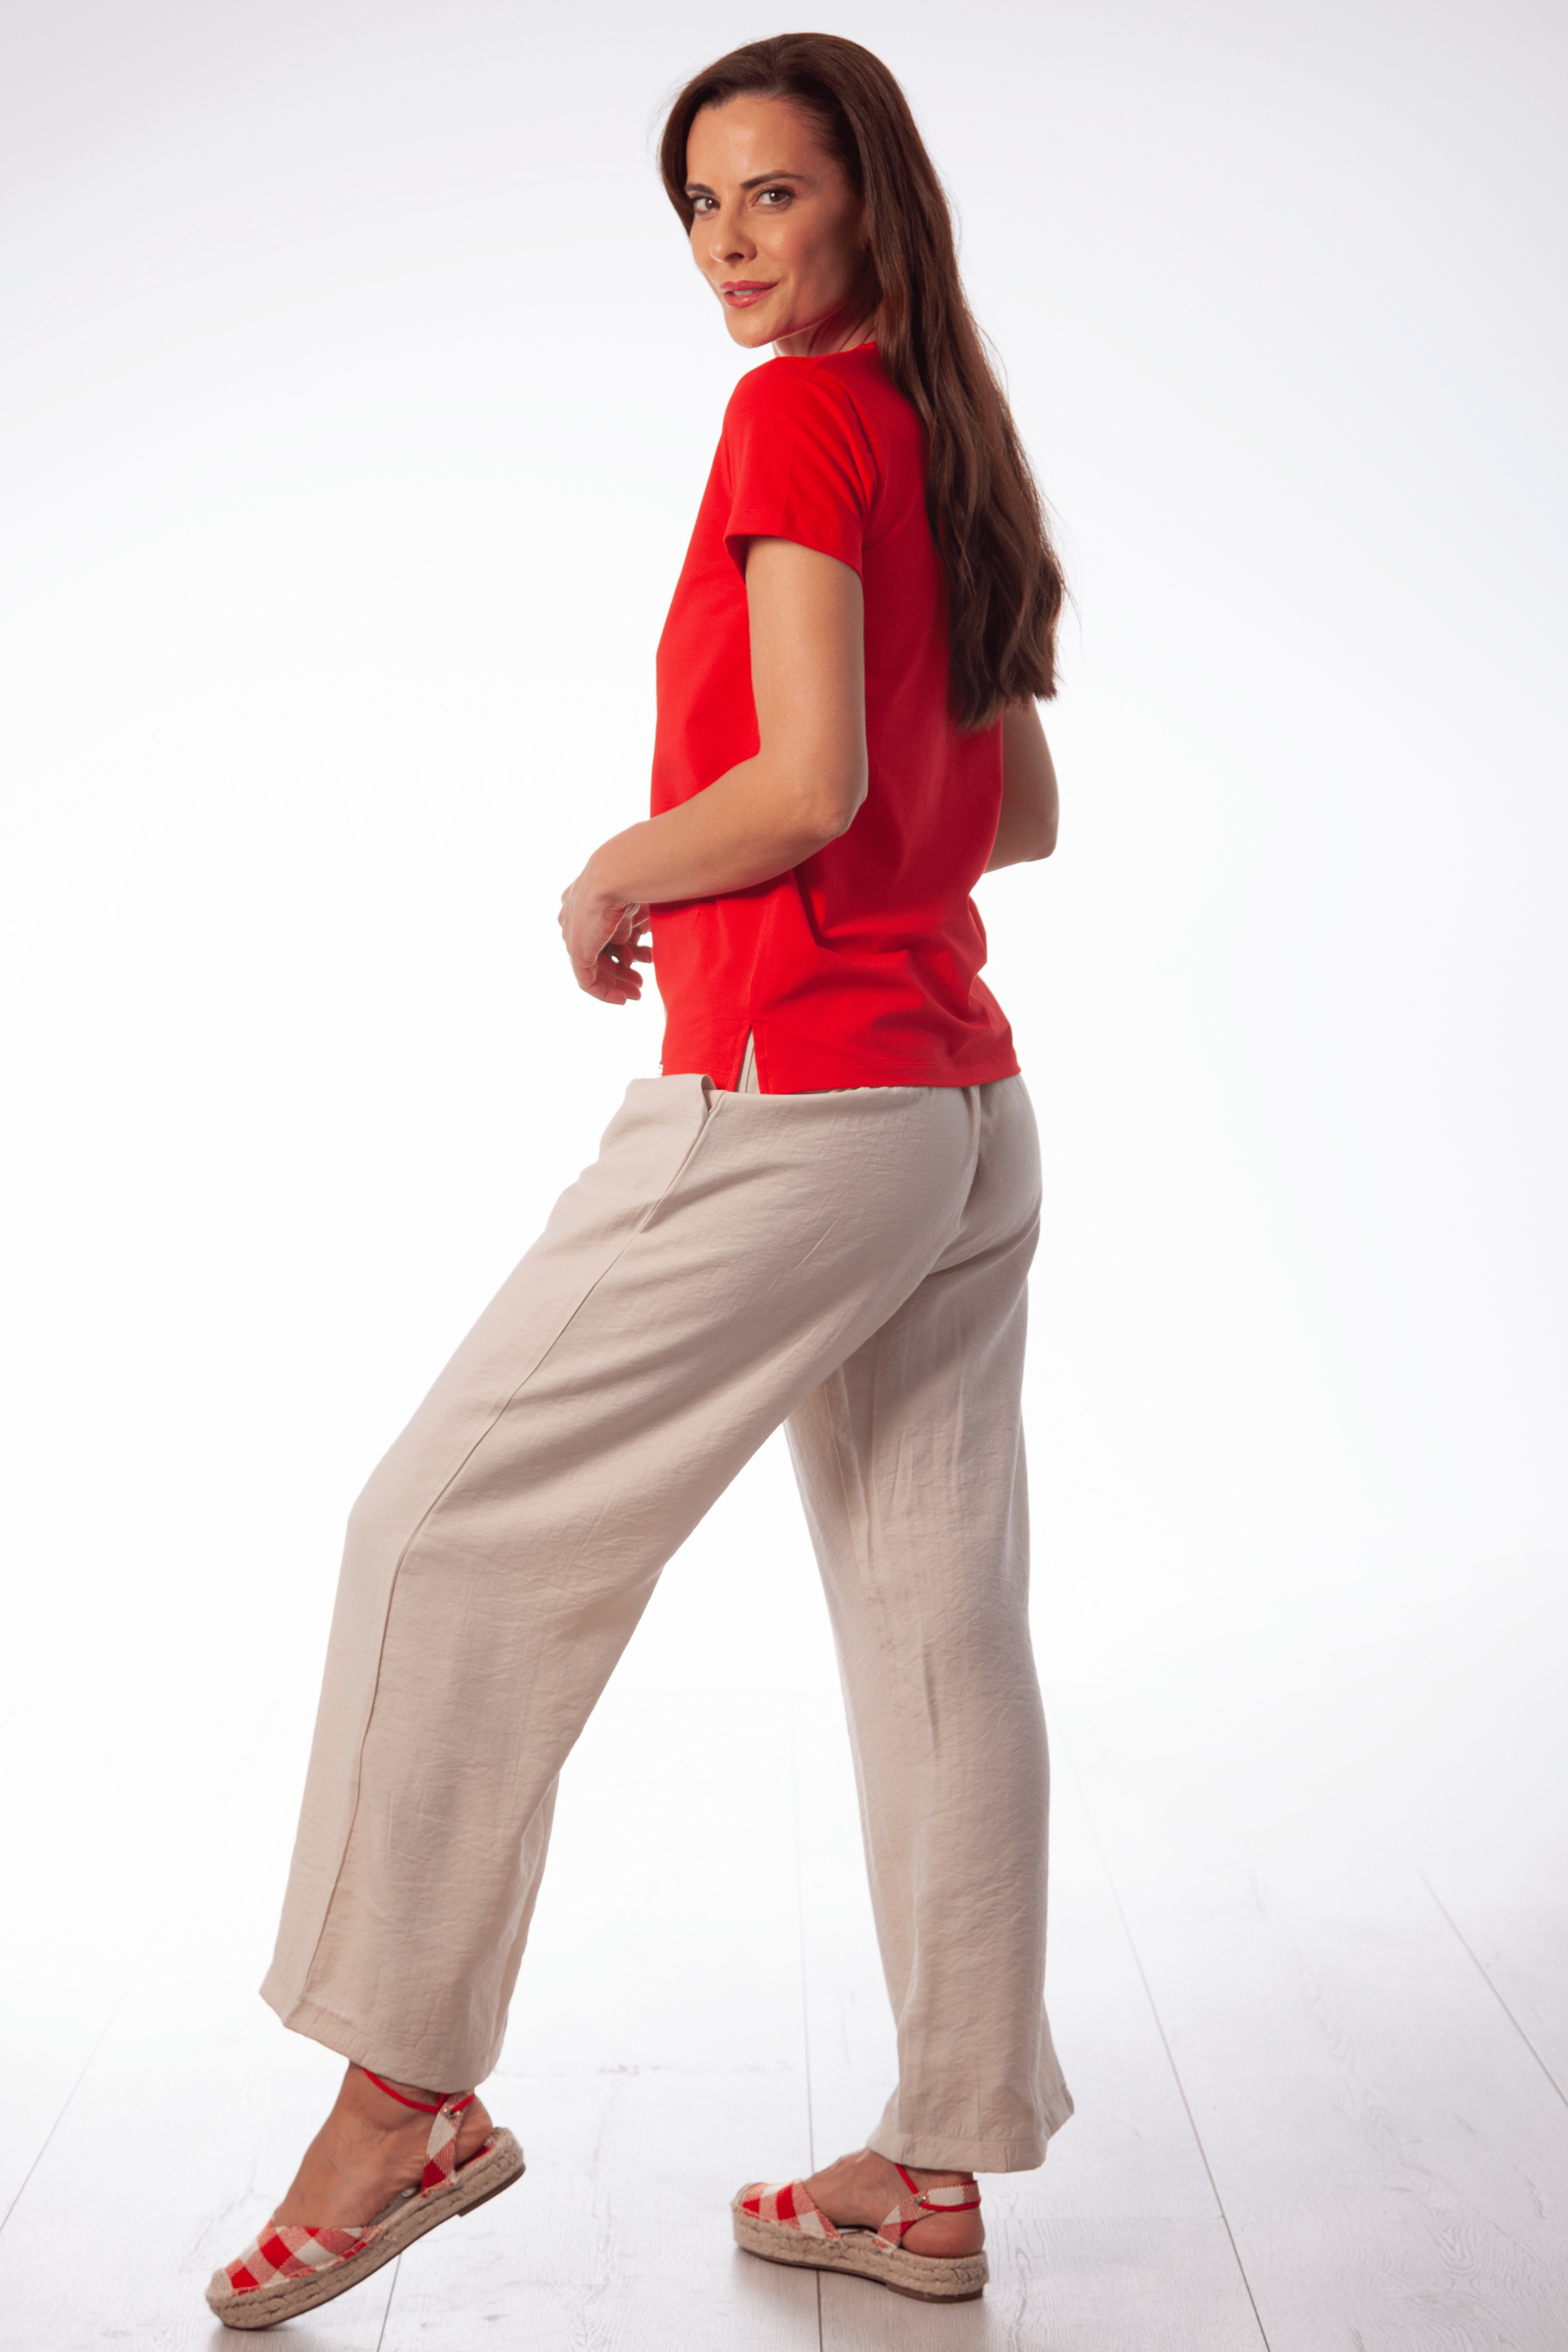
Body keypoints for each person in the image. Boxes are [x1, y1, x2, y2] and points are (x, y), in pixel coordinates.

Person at [206, 30, 1073, 2329]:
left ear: (870, 197)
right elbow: (1018, 815)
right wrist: (819, 844)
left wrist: (619, 867)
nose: (728, 246)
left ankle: (406, 2103)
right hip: (956, 1116)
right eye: (701, 208)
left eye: (772, 196)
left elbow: (799, 788)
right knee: (935, 1632)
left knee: (438, 1530)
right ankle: (935, 2176)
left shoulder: (798, 420)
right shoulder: (944, 435)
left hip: (788, 1096)